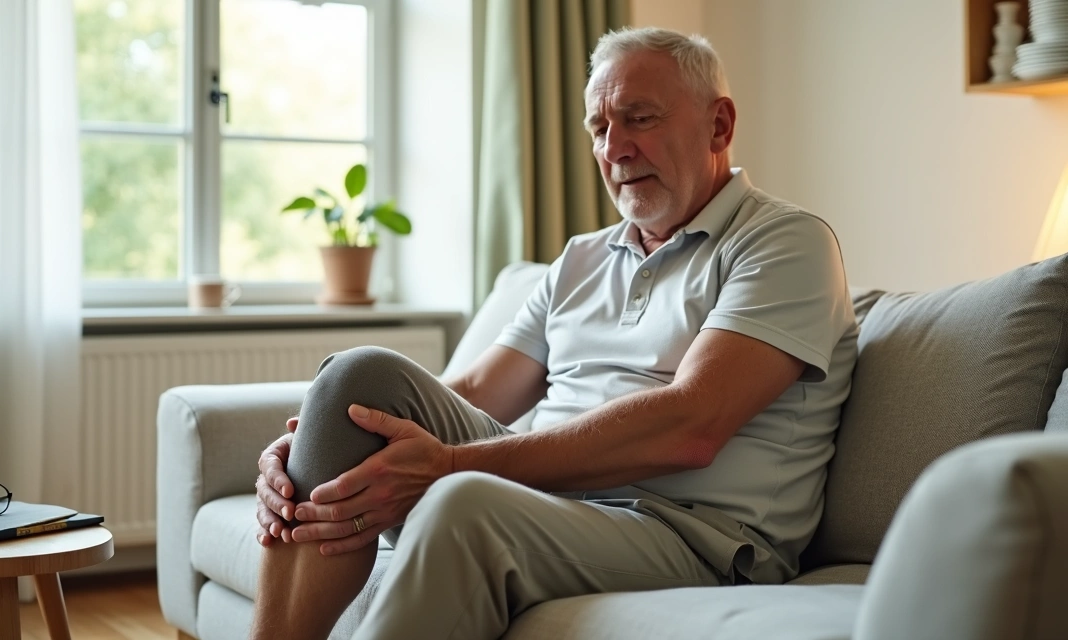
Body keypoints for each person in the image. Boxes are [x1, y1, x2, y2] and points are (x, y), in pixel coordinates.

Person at [249, 26, 857, 640]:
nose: (615, 149)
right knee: (356, 381)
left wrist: (453, 466)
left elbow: (692, 426)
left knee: (465, 504)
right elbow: (475, 391)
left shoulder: (783, 242)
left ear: (718, 126)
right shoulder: (580, 259)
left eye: (640, 118)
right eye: (599, 129)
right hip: (552, 500)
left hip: (692, 533)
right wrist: (311, 448)